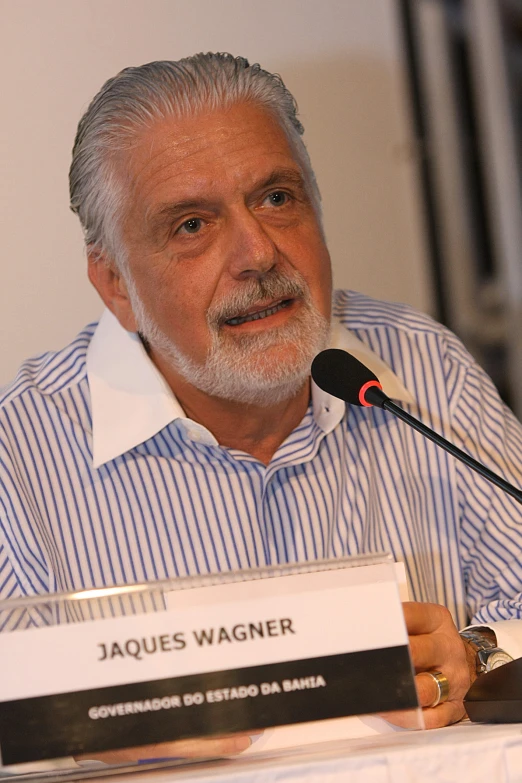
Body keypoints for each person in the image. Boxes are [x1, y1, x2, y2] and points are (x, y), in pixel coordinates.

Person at [1, 54, 522, 750]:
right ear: (116, 283)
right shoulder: (20, 452)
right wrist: (79, 734)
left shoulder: (420, 367)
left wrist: (481, 655)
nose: (258, 253)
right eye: (191, 224)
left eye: (277, 198)